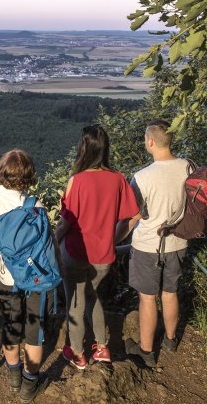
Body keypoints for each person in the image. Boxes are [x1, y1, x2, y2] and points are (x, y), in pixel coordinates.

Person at [55, 124, 140, 370]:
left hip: (75, 254)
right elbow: (133, 216)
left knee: (75, 304)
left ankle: (78, 354)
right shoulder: (118, 180)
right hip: (103, 257)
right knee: (91, 297)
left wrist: (52, 243)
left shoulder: (77, 181)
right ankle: (102, 348)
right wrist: (112, 239)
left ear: (84, 149)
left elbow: (64, 224)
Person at [0, 149, 54, 404]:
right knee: (35, 331)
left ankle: (13, 379)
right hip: (34, 278)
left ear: (2, 173)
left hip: (6, 276)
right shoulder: (36, 206)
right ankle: (29, 387)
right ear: (29, 176)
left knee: (11, 326)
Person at [115, 120, 189, 368]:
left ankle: (146, 351)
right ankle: (170, 339)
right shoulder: (188, 167)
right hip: (178, 241)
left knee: (147, 298)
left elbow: (132, 217)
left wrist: (112, 242)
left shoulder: (143, 177)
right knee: (170, 293)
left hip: (148, 246)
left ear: (150, 142)